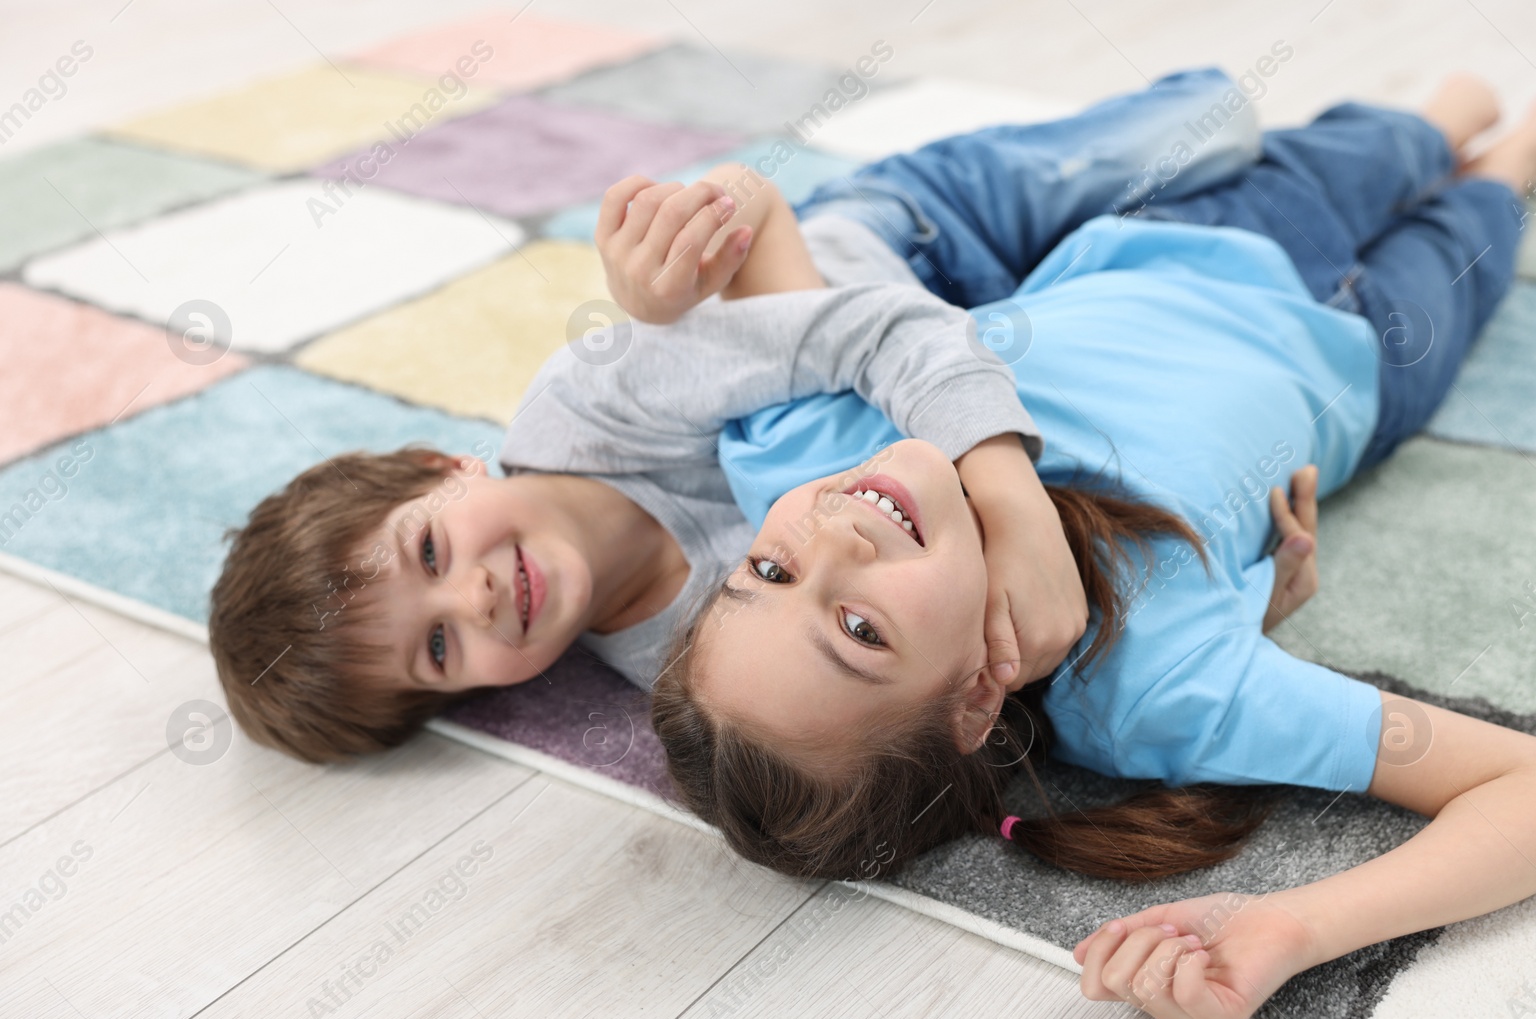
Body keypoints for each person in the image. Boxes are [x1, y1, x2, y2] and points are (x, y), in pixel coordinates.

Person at [593, 77, 1536, 1019]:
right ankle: (1518, 153)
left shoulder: (812, 464)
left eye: (764, 575)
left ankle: (1445, 119)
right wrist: (1302, 925)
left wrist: (668, 266)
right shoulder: (1158, 689)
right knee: (1475, 215)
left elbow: (755, 207)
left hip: (1169, 243)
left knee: (1395, 135)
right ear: (973, 701)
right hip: (1362, 347)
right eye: (858, 628)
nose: (829, 544)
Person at [206, 69, 1264, 761]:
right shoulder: (688, 670)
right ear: (467, 698)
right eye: (438, 647)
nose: (474, 595)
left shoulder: (594, 402)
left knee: (1205, 130)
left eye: (430, 548)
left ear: (447, 465)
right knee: (1246, 254)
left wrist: (1012, 499)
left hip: (909, 247)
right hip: (1024, 357)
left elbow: (872, 324)